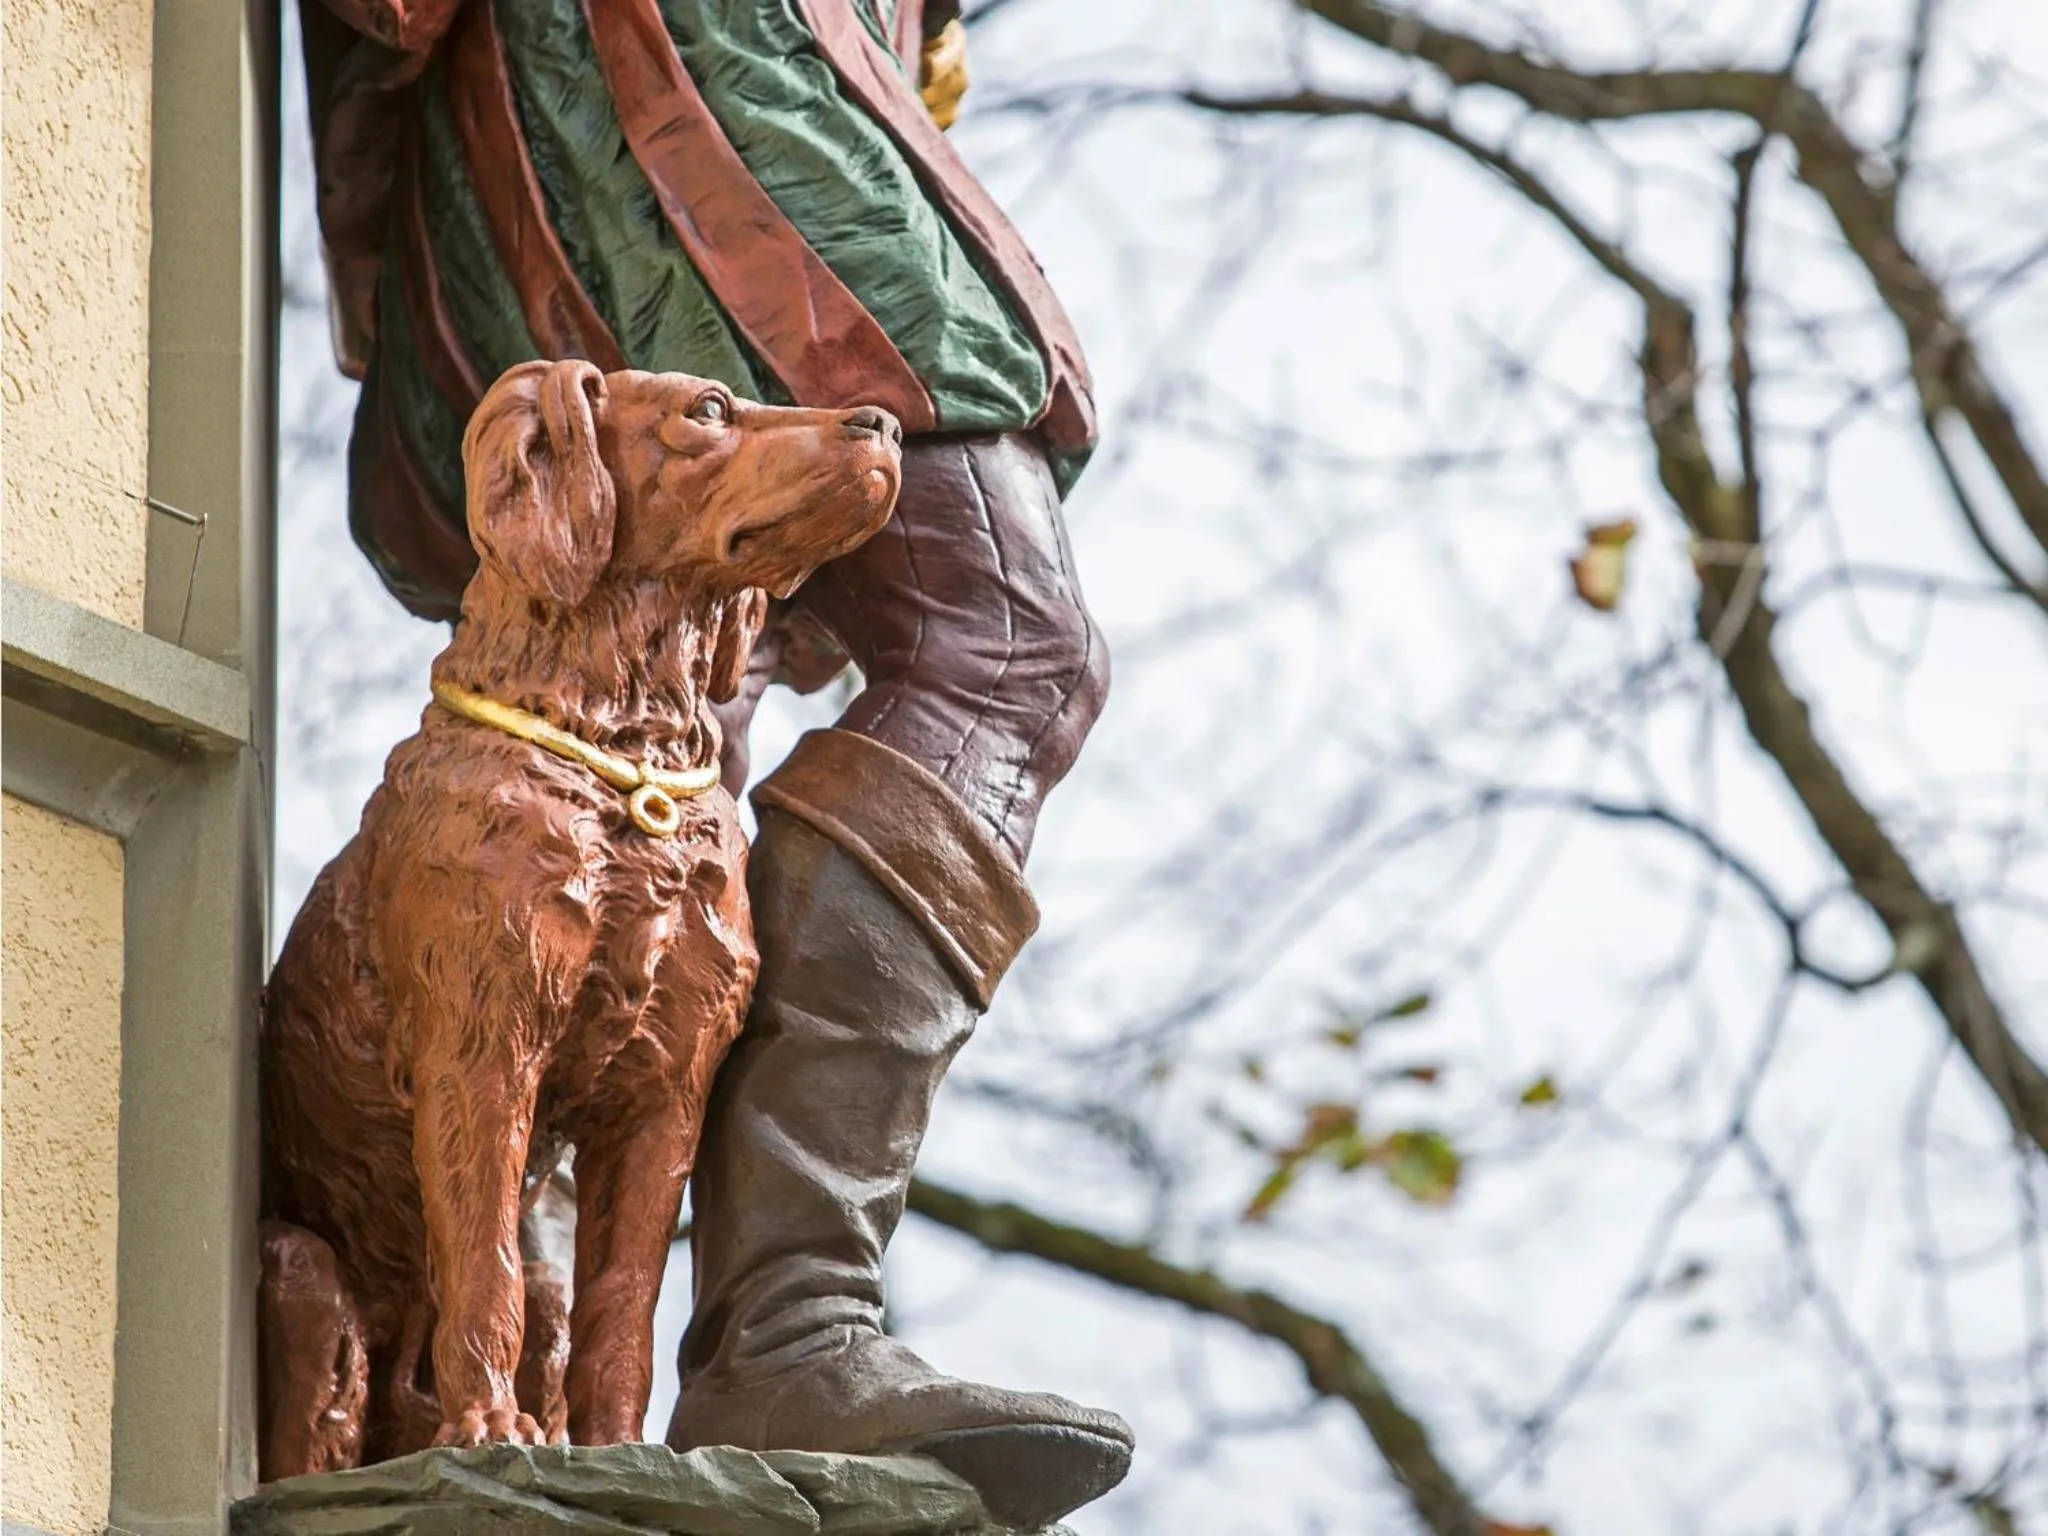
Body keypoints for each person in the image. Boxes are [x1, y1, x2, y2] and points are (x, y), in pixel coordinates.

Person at [297, 0, 1122, 1523]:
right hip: (663, 89)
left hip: (684, 96)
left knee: (678, 717)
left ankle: (534, 1382)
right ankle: (781, 1324)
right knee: (1002, 647)